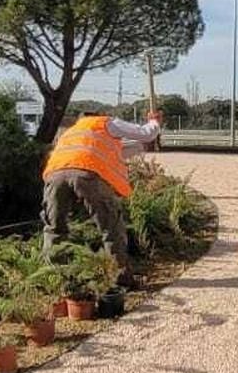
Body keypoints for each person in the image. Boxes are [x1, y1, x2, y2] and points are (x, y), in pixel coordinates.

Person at [41, 109, 162, 289]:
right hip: (88, 172)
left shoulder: (71, 132)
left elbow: (116, 152)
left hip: (54, 174)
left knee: (54, 229)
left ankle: (54, 282)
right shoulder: (105, 122)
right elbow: (146, 133)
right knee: (111, 227)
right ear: (98, 115)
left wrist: (142, 146)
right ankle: (120, 279)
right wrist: (154, 122)